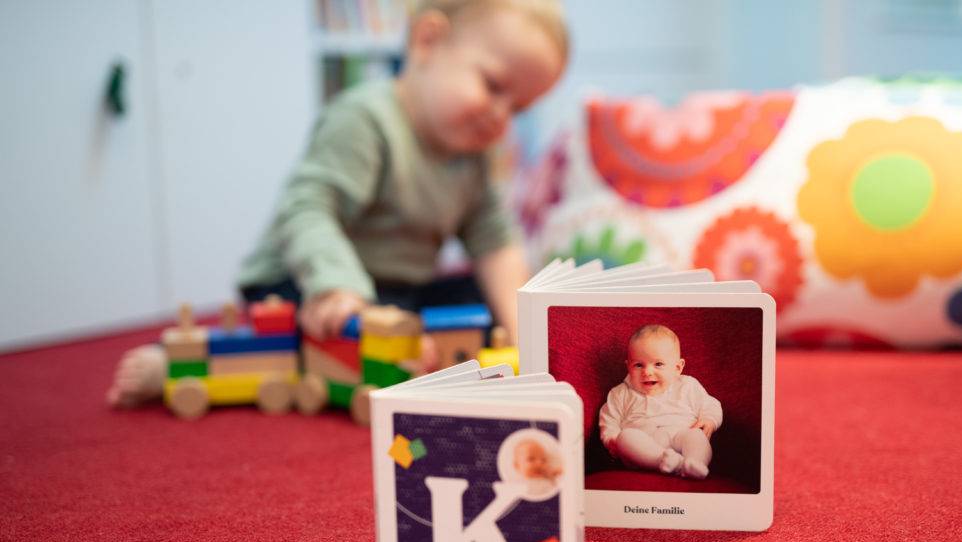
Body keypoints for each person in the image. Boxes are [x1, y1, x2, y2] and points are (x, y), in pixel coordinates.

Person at [107, 0, 568, 407]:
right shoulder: (366, 119)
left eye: (519, 108)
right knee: (293, 342)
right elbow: (308, 209)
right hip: (303, 278)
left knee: (478, 303)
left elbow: (495, 242)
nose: (501, 117)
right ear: (428, 41)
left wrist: (527, 333)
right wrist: (336, 289)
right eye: (493, 85)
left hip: (391, 293)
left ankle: (417, 350)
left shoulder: (477, 156)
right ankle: (177, 362)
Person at [598, 324, 722, 479]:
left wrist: (710, 419)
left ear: (678, 367)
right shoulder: (620, 393)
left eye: (658, 364)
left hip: (681, 436)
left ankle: (695, 463)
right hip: (644, 449)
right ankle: (663, 461)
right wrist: (611, 438)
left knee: (696, 436)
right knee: (625, 437)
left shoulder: (688, 386)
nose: (647, 372)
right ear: (628, 366)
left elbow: (711, 405)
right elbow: (608, 420)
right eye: (638, 365)